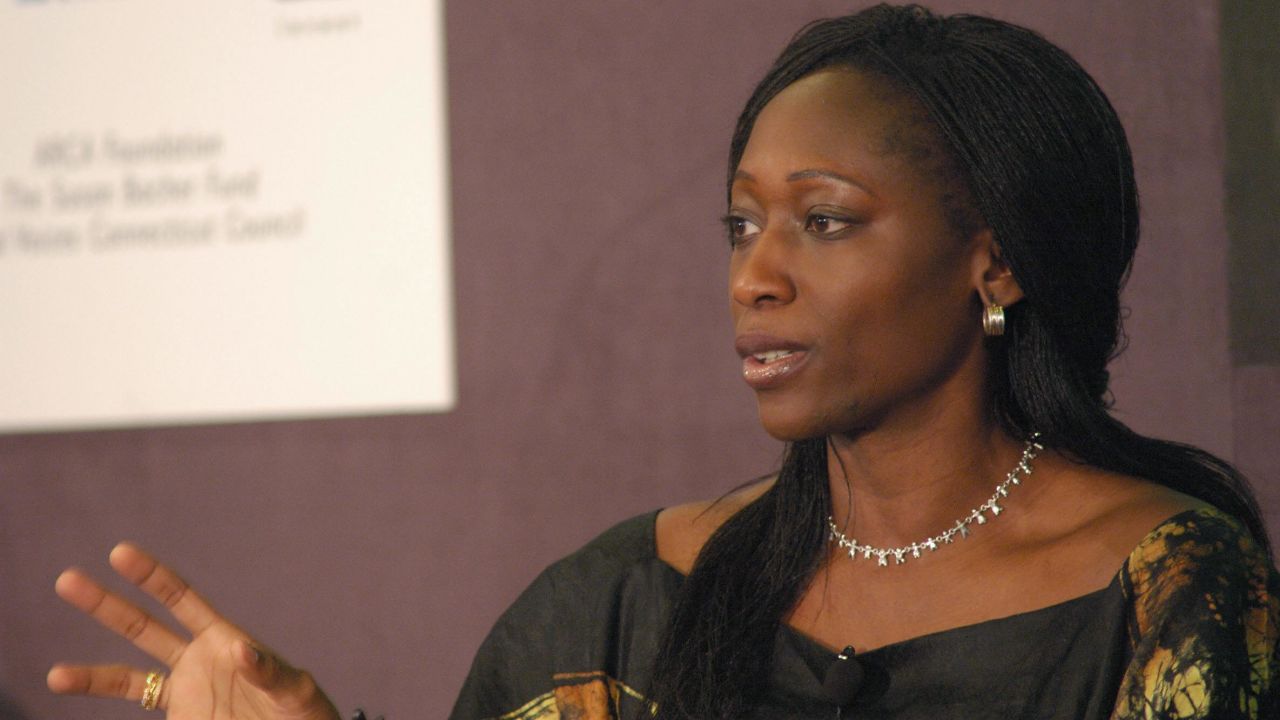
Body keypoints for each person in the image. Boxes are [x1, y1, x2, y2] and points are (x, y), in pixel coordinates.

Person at [47, 4, 1278, 719]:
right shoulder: (632, 598)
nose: (755, 273)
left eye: (825, 219)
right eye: (741, 225)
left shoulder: (1168, 587)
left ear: (992, 263)